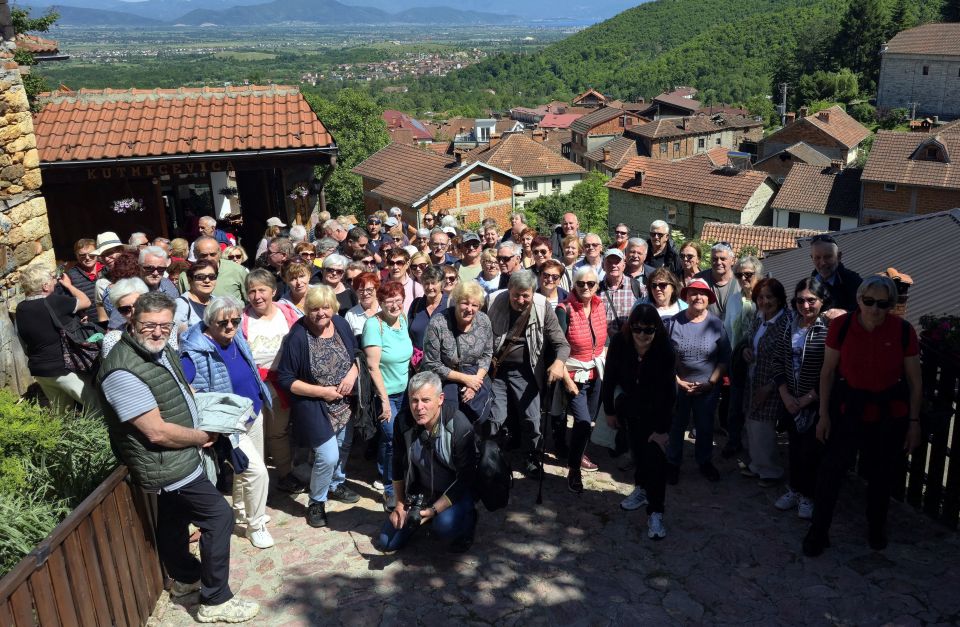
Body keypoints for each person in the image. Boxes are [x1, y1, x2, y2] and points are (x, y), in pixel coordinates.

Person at [97, 292, 260, 623]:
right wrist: (203, 437)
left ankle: (186, 580)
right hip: (166, 463)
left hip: (176, 459)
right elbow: (155, 432)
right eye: (149, 325)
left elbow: (182, 390)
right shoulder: (122, 372)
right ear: (132, 322)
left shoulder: (158, 350)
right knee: (219, 518)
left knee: (172, 519)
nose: (158, 332)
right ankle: (216, 601)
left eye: (165, 325)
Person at [803, 275, 921, 557]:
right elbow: (828, 372)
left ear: (891, 304)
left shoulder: (903, 331)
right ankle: (818, 531)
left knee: (882, 476)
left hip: (887, 410)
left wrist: (914, 423)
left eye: (882, 304)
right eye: (869, 302)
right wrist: (823, 415)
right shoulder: (842, 327)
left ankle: (876, 528)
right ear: (858, 300)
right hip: (849, 407)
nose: (875, 309)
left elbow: (915, 382)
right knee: (830, 472)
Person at [179, 296, 274, 550]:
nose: (230, 326)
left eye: (235, 320)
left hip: (253, 413)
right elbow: (184, 386)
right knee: (256, 471)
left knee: (247, 471)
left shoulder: (236, 338)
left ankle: (242, 511)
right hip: (230, 424)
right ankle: (256, 526)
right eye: (223, 322)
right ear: (209, 322)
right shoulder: (195, 350)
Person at [276, 285, 362, 528]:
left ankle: (335, 484)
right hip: (314, 403)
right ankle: (317, 501)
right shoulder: (297, 336)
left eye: (326, 307)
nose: (321, 313)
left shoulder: (341, 324)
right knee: (328, 454)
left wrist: (351, 375)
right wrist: (322, 392)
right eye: (314, 308)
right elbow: (286, 379)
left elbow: (357, 354)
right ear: (306, 310)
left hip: (345, 401)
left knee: (343, 446)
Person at [377, 371, 479, 553]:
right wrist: (400, 504)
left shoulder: (459, 426)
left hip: (453, 491)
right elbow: (398, 465)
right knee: (387, 542)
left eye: (426, 400)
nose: (419, 407)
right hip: (420, 492)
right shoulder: (403, 421)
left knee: (444, 528)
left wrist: (435, 509)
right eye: (414, 400)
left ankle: (466, 520)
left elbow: (466, 478)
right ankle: (421, 517)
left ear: (440, 399)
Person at [486, 270, 570, 477]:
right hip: (496, 369)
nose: (520, 300)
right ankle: (494, 459)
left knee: (532, 419)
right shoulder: (493, 301)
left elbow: (562, 343)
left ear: (533, 292)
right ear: (509, 290)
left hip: (527, 370)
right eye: (516, 295)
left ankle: (531, 455)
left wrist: (559, 363)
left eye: (526, 295)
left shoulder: (542, 307)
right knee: (496, 418)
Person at [603, 304, 676, 539]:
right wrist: (609, 411)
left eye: (649, 330)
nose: (643, 335)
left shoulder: (664, 349)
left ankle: (655, 512)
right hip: (630, 409)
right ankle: (641, 489)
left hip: (656, 411)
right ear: (630, 328)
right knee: (638, 454)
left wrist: (663, 430)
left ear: (657, 330)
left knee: (656, 461)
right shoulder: (619, 344)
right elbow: (610, 378)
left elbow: (669, 393)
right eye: (637, 329)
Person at [771, 278, 830, 521]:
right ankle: (795, 489)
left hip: (814, 403)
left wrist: (807, 398)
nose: (805, 306)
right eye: (800, 300)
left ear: (822, 301)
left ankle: (808, 495)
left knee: (811, 451)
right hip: (790, 400)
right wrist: (785, 394)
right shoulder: (789, 325)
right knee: (795, 449)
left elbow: (831, 370)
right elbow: (778, 360)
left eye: (811, 300)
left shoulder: (828, 329)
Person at [240, 269, 303, 495]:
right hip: (253, 385)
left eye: (262, 290)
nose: (257, 296)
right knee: (255, 434)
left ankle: (285, 473)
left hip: (281, 382)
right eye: (252, 291)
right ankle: (257, 480)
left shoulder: (288, 314)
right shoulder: (241, 319)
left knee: (279, 431)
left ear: (273, 291)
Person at [665, 278, 731, 484]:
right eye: (693, 293)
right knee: (676, 426)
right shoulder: (672, 323)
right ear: (686, 296)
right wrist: (677, 381)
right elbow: (664, 359)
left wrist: (711, 383)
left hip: (707, 387)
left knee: (705, 426)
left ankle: (704, 462)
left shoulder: (716, 324)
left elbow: (724, 358)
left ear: (708, 298)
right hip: (679, 386)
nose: (698, 297)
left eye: (702, 293)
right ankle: (673, 463)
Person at [16, 265, 99, 411]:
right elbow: (85, 301)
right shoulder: (54, 302)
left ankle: (63, 434)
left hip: (40, 370)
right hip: (62, 368)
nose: (55, 281)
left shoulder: (21, 308)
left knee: (62, 413)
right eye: (53, 279)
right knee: (95, 404)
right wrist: (68, 285)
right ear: (45, 286)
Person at [554, 267, 608, 492]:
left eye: (591, 284)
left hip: (596, 374)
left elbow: (603, 341)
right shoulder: (564, 309)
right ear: (573, 285)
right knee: (583, 421)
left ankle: (578, 452)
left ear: (597, 286)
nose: (586, 287)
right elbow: (558, 348)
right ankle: (574, 469)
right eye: (581, 283)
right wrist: (566, 380)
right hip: (573, 375)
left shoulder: (599, 305)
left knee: (587, 423)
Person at [362, 281, 413, 510]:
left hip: (406, 391)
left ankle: (390, 474)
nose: (394, 305)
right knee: (393, 439)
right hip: (385, 394)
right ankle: (391, 489)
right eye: (388, 301)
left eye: (398, 299)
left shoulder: (402, 320)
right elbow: (373, 367)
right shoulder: (374, 325)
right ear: (380, 303)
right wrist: (384, 401)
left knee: (391, 438)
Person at [740, 278, 791, 486]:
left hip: (772, 383)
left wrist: (770, 386)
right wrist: (746, 350)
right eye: (760, 297)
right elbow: (751, 339)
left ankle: (771, 471)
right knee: (753, 423)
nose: (764, 301)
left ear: (779, 299)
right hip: (754, 378)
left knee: (764, 427)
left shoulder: (786, 322)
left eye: (769, 297)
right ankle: (757, 465)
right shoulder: (759, 317)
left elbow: (788, 358)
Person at [422, 281, 493, 422]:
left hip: (476, 375)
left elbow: (487, 354)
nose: (469, 309)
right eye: (465, 303)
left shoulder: (484, 321)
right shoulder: (438, 323)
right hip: (446, 378)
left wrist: (475, 383)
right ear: (456, 301)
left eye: (475, 305)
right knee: (451, 418)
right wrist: (466, 380)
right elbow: (432, 364)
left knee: (478, 419)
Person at [721, 255, 763, 459]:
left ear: (758, 275)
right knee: (735, 404)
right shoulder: (735, 299)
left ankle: (755, 448)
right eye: (739, 275)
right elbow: (728, 328)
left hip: (759, 362)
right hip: (737, 360)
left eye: (748, 274)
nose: (744, 278)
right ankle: (734, 441)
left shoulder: (765, 299)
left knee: (755, 405)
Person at [178, 236, 249, 304]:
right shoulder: (185, 277)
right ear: (195, 255)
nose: (209, 259)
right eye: (203, 255)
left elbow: (250, 301)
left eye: (212, 254)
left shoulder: (237, 270)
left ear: (219, 253)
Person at [808, 234, 862, 316]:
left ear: (839, 256)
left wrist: (845, 313)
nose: (823, 263)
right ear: (812, 258)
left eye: (828, 257)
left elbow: (865, 314)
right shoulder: (808, 284)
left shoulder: (854, 283)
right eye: (817, 257)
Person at [100, 278, 151, 357]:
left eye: (138, 305)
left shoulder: (164, 328)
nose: (134, 312)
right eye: (125, 309)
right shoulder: (113, 339)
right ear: (119, 311)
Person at [598, 248, 642, 339]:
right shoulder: (596, 289)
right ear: (603, 266)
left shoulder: (637, 287)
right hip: (602, 345)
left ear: (624, 265)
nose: (613, 265)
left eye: (617, 262)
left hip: (629, 343)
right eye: (609, 262)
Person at [696, 242, 740, 323]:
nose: (718, 262)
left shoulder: (740, 281)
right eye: (715, 259)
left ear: (733, 260)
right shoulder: (699, 279)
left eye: (723, 259)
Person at [408, 265, 449, 352]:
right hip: (418, 362)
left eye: (433, 283)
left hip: (443, 362)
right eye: (426, 283)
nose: (430, 287)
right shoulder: (416, 304)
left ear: (442, 283)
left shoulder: (450, 304)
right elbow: (408, 334)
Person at [174, 259, 218, 338]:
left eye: (212, 277)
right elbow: (174, 338)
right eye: (200, 277)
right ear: (190, 280)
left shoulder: (217, 302)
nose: (207, 280)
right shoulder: (181, 304)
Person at [65, 238, 103, 322]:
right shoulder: (70, 275)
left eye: (91, 254)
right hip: (91, 323)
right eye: (82, 255)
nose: (87, 258)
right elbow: (69, 301)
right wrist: (79, 313)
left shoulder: (106, 268)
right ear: (77, 256)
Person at [345, 272, 381, 338]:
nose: (365, 293)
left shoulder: (385, 309)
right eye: (361, 290)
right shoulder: (351, 315)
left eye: (369, 290)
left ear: (376, 289)